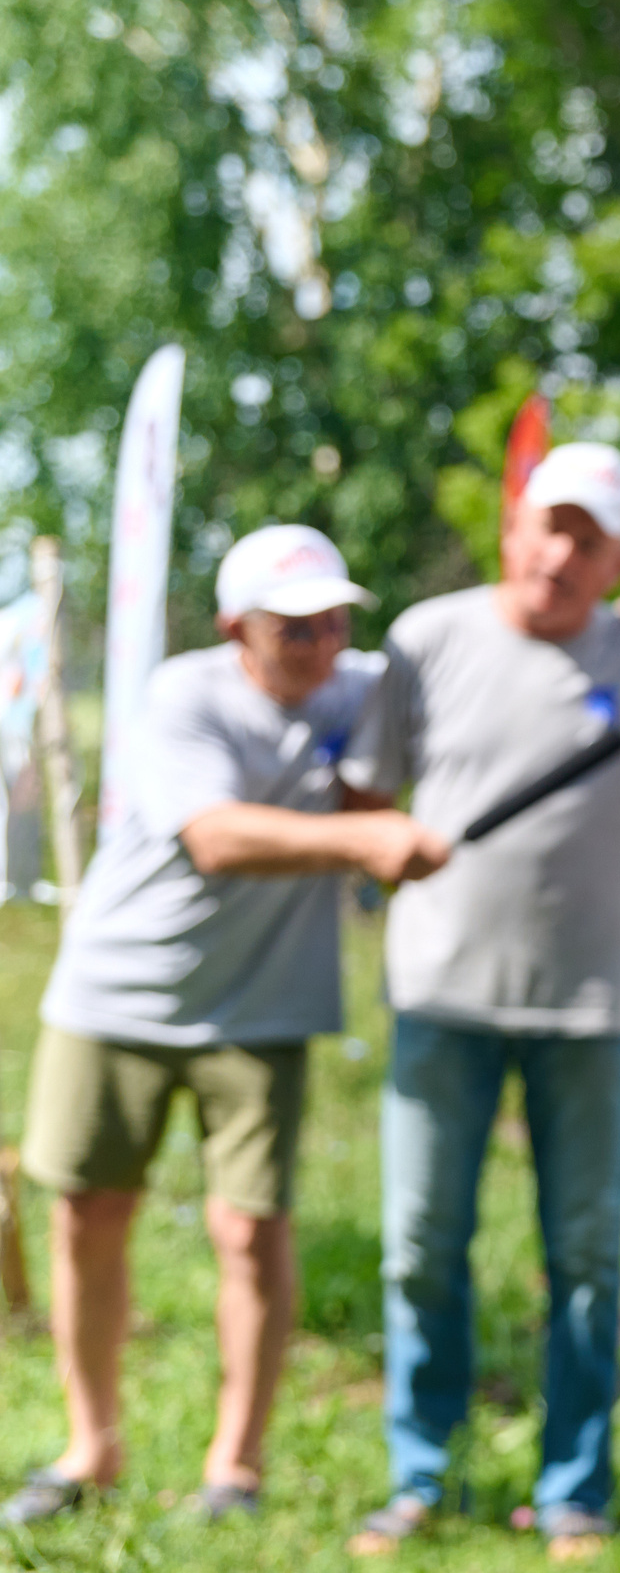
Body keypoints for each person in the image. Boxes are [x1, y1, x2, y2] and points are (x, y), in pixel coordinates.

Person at [342, 444, 620, 1559]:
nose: (563, 554)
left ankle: (574, 1485)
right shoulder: (428, 638)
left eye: (591, 539)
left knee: (585, 1258)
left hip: (589, 1004)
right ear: (513, 531)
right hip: (442, 993)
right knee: (420, 1245)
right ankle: (421, 1471)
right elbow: (368, 796)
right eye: (550, 527)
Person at [6, 527, 447, 1528]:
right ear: (234, 627)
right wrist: (366, 836)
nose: (320, 642)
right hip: (119, 993)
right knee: (88, 1213)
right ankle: (92, 1445)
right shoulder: (182, 697)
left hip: (265, 1007)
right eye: (293, 626)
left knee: (249, 1228)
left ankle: (234, 1469)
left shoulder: (360, 686)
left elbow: (470, 670)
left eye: (335, 620)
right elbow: (216, 836)